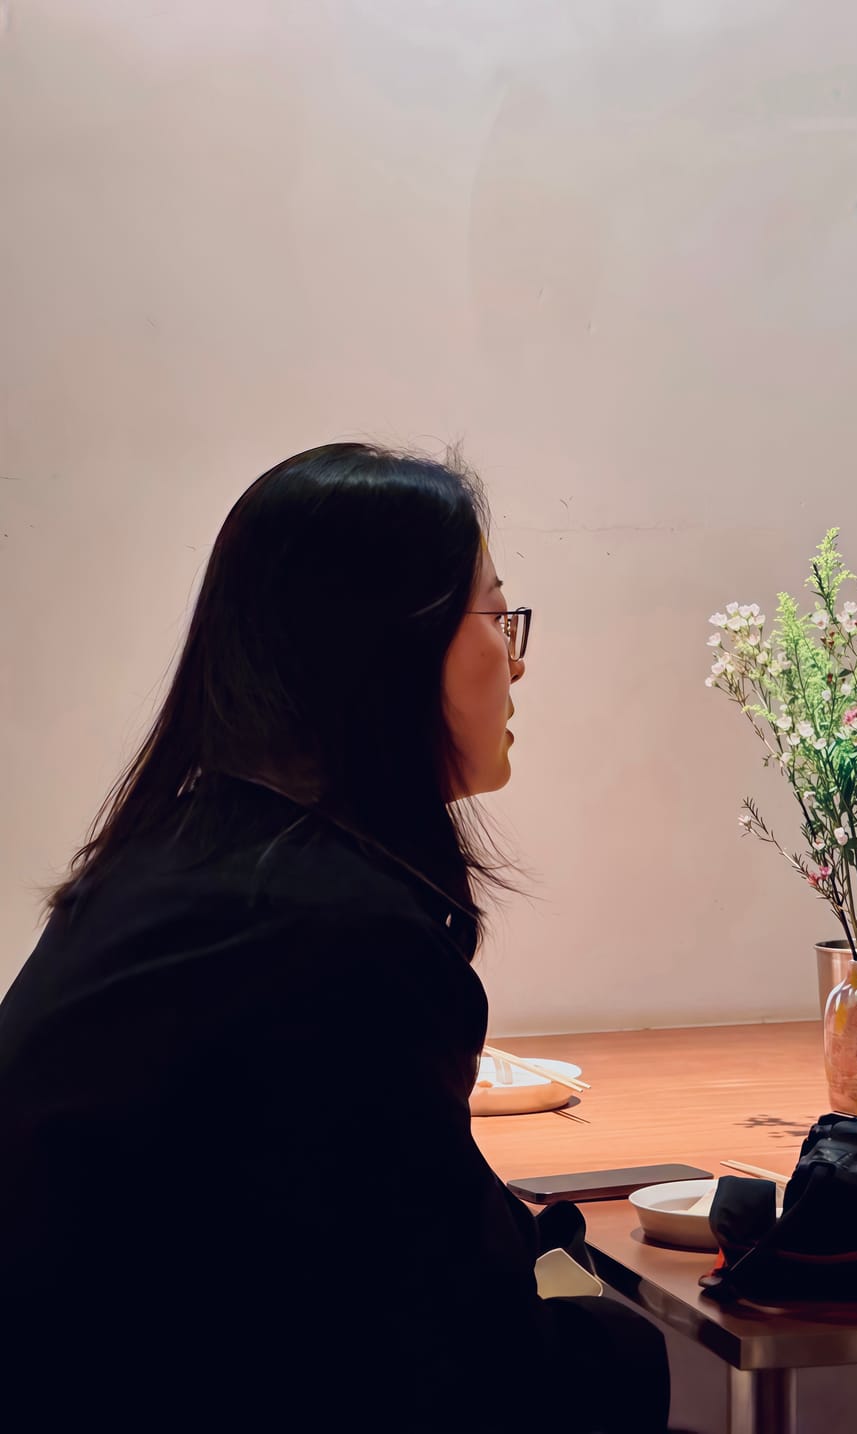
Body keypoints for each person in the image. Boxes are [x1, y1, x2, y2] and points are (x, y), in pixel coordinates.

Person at [0, 444, 669, 1431]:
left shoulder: (182, 865)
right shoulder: (337, 938)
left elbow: (427, 1241)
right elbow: (471, 1355)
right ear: (386, 650)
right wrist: (599, 1302)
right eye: (495, 614)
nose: (517, 657)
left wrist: (553, 1266)